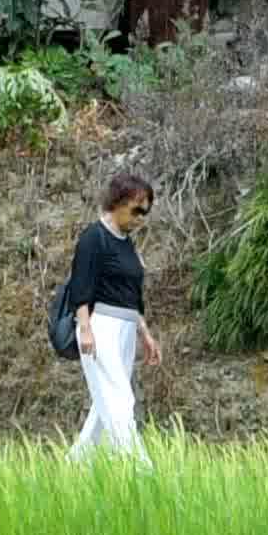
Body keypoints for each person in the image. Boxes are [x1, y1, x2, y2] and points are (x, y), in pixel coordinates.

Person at [51, 169, 158, 461]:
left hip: (125, 329)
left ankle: (74, 467)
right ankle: (141, 470)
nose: (140, 219)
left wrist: (145, 334)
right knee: (121, 400)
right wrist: (85, 329)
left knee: (104, 407)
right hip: (101, 329)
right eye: (137, 210)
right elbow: (81, 288)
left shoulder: (126, 243)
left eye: (145, 213)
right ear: (119, 202)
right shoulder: (93, 237)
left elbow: (131, 295)